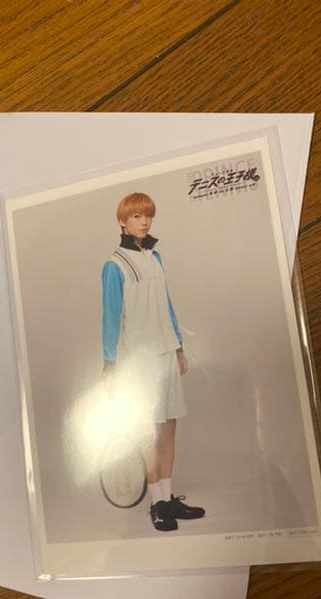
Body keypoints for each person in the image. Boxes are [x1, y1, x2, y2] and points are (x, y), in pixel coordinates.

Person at [101, 192, 205, 532]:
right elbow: (111, 317)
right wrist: (109, 364)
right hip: (139, 361)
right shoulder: (114, 265)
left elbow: (166, 305)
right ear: (122, 221)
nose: (144, 221)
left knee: (168, 427)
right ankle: (156, 504)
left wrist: (179, 347)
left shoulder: (155, 257)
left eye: (147, 215)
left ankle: (169, 497)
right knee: (148, 430)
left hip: (166, 352)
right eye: (136, 216)